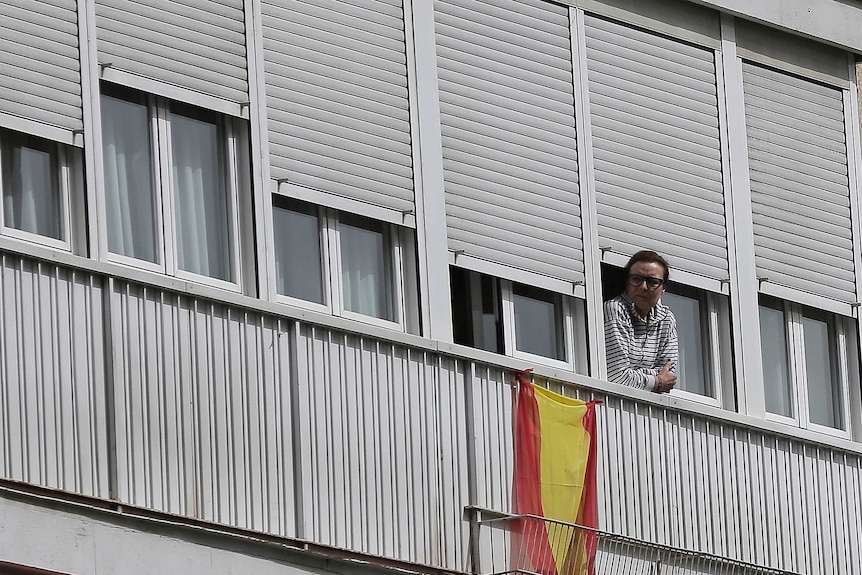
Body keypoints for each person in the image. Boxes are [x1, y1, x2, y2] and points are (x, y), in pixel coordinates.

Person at [604, 250, 678, 393]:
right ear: (627, 282)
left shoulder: (666, 319)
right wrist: (657, 381)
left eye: (652, 282)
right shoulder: (615, 309)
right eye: (636, 279)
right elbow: (617, 376)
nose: (643, 287)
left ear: (663, 288)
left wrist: (636, 375)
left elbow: (669, 375)